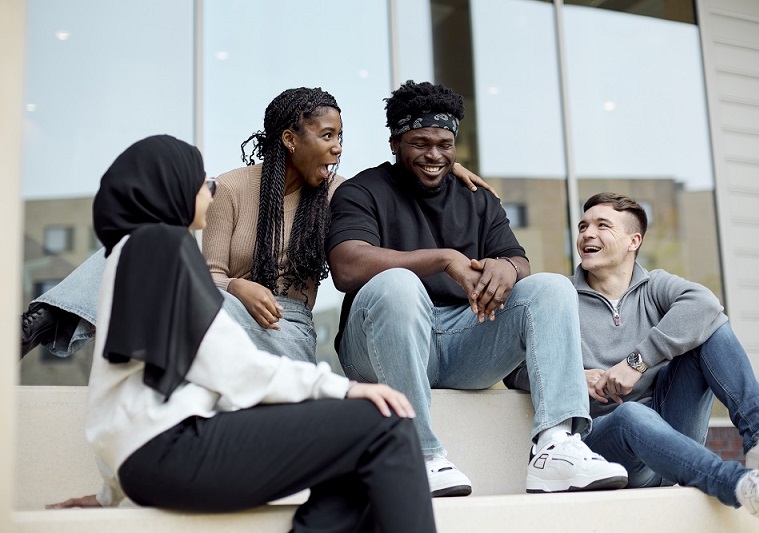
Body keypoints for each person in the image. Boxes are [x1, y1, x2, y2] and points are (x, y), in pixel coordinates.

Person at [47, 134, 438, 533]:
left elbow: (119, 393)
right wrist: (343, 388)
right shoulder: (162, 243)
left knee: (350, 450)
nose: (212, 192)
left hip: (146, 461)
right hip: (175, 450)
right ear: (173, 185)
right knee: (388, 422)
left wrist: (108, 495)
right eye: (204, 182)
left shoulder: (132, 254)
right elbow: (230, 365)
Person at [20, 87, 494, 361]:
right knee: (142, 246)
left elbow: (392, 178)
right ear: (290, 138)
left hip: (287, 332)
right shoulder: (231, 188)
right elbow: (208, 277)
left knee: (154, 265)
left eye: (341, 137)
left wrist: (443, 165)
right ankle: (40, 321)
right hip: (225, 311)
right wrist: (237, 289)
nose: (337, 148)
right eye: (326, 136)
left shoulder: (339, 192)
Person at [325, 80, 628, 498]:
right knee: (398, 284)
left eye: (445, 144)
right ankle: (420, 454)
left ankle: (556, 446)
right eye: (420, 143)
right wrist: (443, 258)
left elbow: (517, 259)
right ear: (395, 143)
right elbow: (345, 266)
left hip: (465, 345)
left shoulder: (477, 198)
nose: (434, 155)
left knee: (552, 286)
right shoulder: (362, 191)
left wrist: (507, 267)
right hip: (380, 347)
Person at [504, 192, 759, 533]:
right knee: (631, 414)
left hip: (673, 436)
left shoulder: (654, 285)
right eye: (583, 226)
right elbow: (513, 371)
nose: (587, 234)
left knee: (710, 325)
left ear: (634, 241)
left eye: (602, 226)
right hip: (606, 448)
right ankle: (744, 486)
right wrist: (572, 377)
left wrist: (637, 362)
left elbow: (705, 304)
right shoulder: (560, 297)